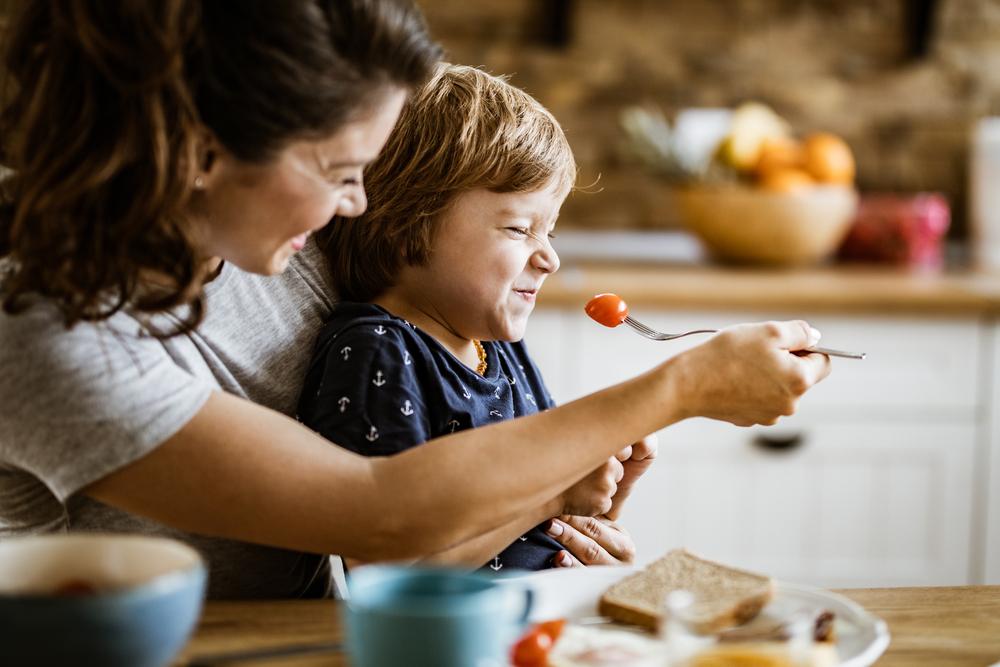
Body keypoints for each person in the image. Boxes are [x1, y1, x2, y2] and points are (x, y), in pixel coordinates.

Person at [0, 0, 831, 599]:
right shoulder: (43, 331)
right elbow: (377, 511)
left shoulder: (277, 232)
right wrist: (680, 385)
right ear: (200, 149)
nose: (359, 205)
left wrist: (553, 498)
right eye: (338, 171)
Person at [299, 63, 655, 572]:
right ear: (407, 225)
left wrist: (608, 485)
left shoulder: (502, 350)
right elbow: (392, 568)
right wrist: (553, 496)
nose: (548, 258)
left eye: (548, 232)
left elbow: (550, 526)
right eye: (518, 229)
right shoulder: (377, 352)